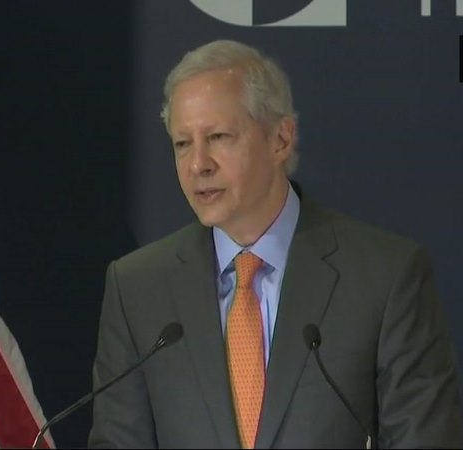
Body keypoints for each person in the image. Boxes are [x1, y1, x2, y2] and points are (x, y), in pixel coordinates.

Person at [88, 39, 462, 448]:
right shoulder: (138, 288)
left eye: (218, 136)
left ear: (280, 139)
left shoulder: (386, 277)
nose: (198, 164)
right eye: (182, 144)